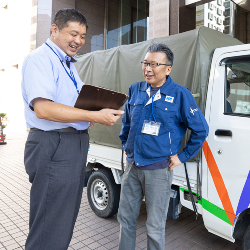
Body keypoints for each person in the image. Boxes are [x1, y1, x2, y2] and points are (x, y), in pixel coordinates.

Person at [21, 9, 123, 250]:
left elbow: (69, 107)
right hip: (53, 145)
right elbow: (44, 109)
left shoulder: (67, 64)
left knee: (62, 221)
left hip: (71, 144)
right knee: (49, 225)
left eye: (83, 36)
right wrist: (92, 114)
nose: (78, 41)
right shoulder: (39, 59)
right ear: (54, 30)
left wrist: (88, 117)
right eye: (73, 34)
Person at [118, 43, 209, 250]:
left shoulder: (179, 94)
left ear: (168, 69)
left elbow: (201, 130)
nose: (148, 69)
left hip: (158, 170)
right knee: (126, 219)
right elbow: (127, 122)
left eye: (154, 64)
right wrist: (125, 144)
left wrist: (182, 156)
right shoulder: (136, 89)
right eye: (145, 63)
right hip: (132, 167)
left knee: (155, 225)